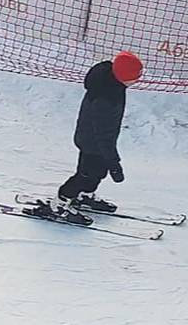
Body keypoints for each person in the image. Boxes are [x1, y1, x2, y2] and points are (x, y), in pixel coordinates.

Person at [46, 52, 141, 217]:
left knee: (97, 172)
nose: (137, 80)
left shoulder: (110, 83)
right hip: (94, 143)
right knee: (86, 175)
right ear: (123, 76)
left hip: (94, 140)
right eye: (135, 77)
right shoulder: (107, 97)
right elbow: (104, 133)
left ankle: (84, 195)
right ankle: (60, 202)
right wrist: (114, 163)